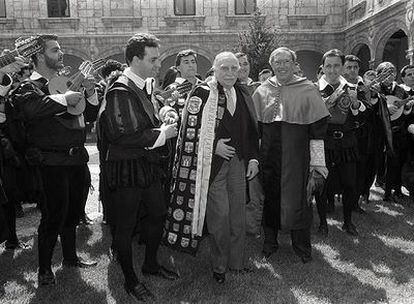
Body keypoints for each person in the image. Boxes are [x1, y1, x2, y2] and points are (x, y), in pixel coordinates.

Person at [10, 34, 98, 286]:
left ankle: (70, 258)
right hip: (50, 163)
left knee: (73, 212)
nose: (60, 54)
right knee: (52, 216)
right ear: (39, 56)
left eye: (59, 50)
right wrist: (64, 98)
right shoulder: (28, 87)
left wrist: (89, 93)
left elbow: (88, 116)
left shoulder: (67, 82)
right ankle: (44, 269)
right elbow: (32, 110)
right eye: (54, 50)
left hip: (77, 160)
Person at [164, 51, 259, 284]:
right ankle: (219, 267)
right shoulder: (203, 93)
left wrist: (254, 159)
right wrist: (213, 146)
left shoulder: (243, 92)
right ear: (214, 70)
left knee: (237, 214)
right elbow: (188, 129)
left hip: (239, 163)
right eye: (224, 68)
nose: (229, 73)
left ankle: (236, 263)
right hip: (212, 167)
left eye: (233, 68)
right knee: (220, 216)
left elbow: (251, 131)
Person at [102, 33, 179, 302]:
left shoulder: (143, 84)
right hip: (126, 169)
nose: (159, 64)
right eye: (153, 59)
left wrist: (164, 112)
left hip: (146, 165)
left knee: (157, 213)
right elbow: (122, 135)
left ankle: (150, 264)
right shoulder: (119, 89)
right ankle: (130, 281)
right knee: (125, 226)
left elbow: (146, 117)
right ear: (135, 59)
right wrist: (164, 134)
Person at [253, 47, 329, 262]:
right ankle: (270, 242)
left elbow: (318, 132)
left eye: (286, 61)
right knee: (270, 198)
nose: (282, 66)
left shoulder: (308, 89)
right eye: (277, 62)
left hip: (298, 158)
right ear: (272, 65)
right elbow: (257, 129)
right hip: (269, 157)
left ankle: (301, 246)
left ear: (294, 64)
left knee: (301, 200)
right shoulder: (262, 90)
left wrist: (318, 163)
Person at [316, 49, 367, 236]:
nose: (332, 69)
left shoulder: (352, 88)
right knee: (322, 184)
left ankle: (347, 222)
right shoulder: (315, 89)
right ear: (323, 67)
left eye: (336, 65)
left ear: (342, 67)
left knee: (349, 183)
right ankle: (323, 222)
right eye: (328, 65)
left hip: (347, 142)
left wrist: (355, 105)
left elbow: (362, 116)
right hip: (324, 142)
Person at [0, 53, 28, 249]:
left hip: (6, 144)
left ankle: (12, 238)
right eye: (13, 68)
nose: (16, 72)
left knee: (9, 193)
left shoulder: (8, 82)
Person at [374, 62, 413, 202]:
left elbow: (406, 112)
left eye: (392, 72)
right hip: (381, 132)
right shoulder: (377, 89)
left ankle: (397, 189)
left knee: (398, 161)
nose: (390, 76)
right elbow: (373, 109)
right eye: (386, 72)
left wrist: (407, 107)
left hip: (398, 131)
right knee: (385, 162)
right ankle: (386, 190)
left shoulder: (401, 91)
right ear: (379, 74)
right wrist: (385, 108)